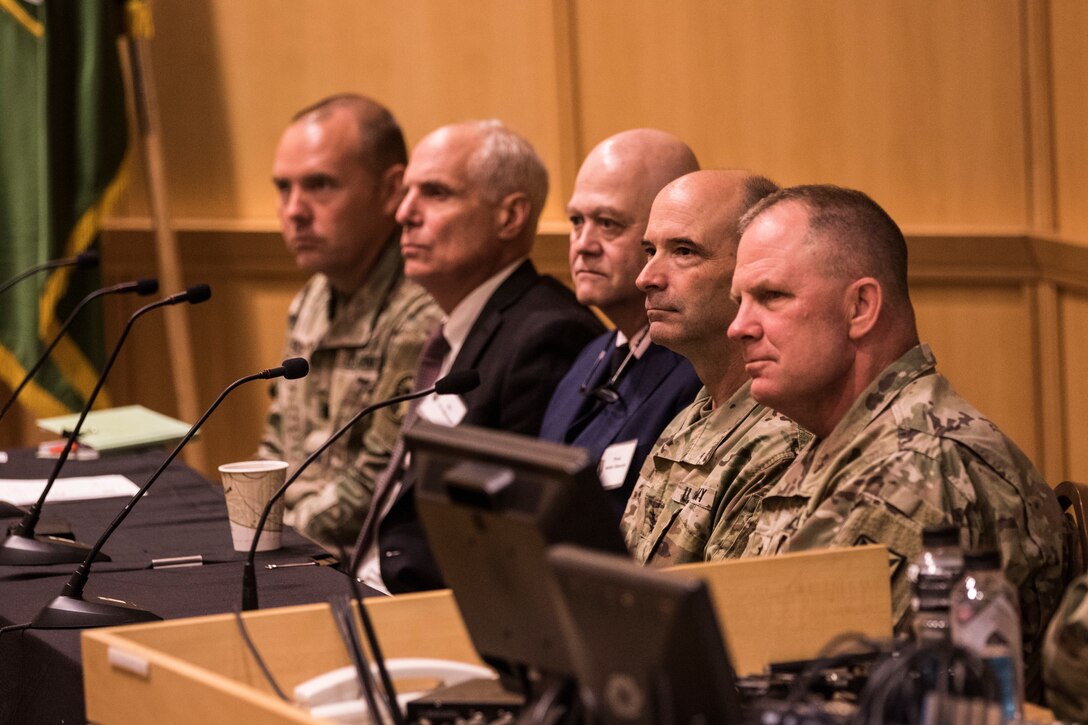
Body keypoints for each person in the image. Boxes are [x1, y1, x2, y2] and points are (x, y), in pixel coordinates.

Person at [728, 184, 1064, 698]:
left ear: (861, 307)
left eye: (772, 297)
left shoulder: (920, 469)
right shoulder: (842, 438)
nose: (738, 327)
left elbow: (830, 700)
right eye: (739, 302)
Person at [354, 120, 604, 594]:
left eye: (435, 193)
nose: (405, 213)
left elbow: (512, 539)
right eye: (407, 192)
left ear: (509, 216)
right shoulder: (458, 326)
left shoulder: (547, 334)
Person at [258, 95, 441, 551]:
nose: (294, 210)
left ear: (390, 190)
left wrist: (269, 535)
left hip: (366, 567)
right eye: (284, 188)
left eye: (319, 185)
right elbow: (277, 447)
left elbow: (373, 487)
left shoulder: (423, 311)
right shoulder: (313, 299)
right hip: (296, 547)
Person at [620, 170, 810, 565]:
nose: (645, 278)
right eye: (648, 251)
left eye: (684, 251)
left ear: (754, 268)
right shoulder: (692, 418)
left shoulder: (783, 442)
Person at [539, 130, 702, 518]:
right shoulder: (590, 357)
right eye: (577, 221)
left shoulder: (698, 373)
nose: (583, 244)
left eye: (608, 224)